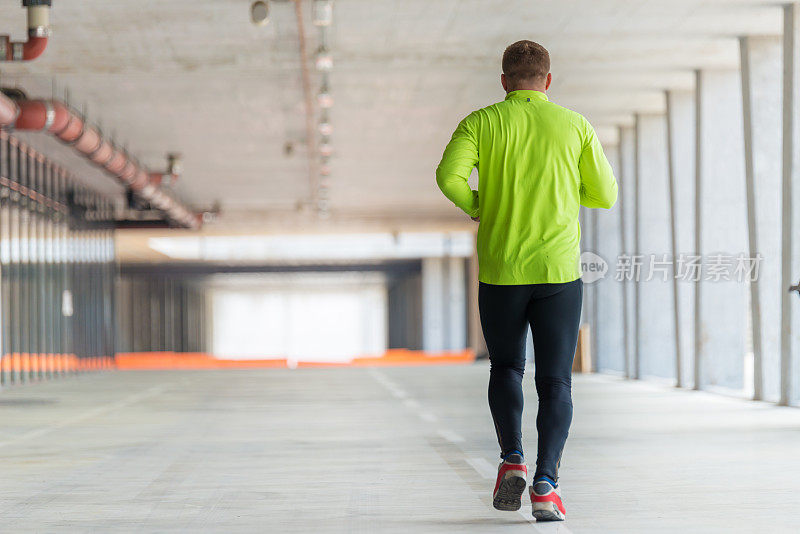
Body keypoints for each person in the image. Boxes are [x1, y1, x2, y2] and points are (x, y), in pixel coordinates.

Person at [435, 40, 617, 522]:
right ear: (548, 81)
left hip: (502, 271)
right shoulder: (574, 124)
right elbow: (604, 194)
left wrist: (480, 204)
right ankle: (546, 484)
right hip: (558, 272)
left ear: (504, 81)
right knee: (556, 381)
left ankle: (511, 458)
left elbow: (447, 177)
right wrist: (565, 188)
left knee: (506, 369)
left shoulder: (481, 122)